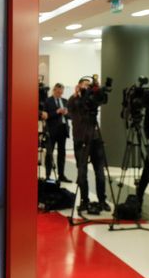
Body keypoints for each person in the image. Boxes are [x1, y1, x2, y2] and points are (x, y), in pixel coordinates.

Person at [68, 77, 109, 214]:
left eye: (89, 85)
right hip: (80, 140)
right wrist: (77, 96)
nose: (87, 87)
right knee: (82, 172)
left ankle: (102, 200)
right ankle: (84, 201)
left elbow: (102, 100)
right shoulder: (73, 100)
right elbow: (71, 110)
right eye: (85, 85)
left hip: (96, 139)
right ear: (78, 86)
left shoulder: (93, 100)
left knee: (100, 172)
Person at [43, 83, 71, 183]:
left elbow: (71, 116)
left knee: (62, 153)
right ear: (54, 90)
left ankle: (61, 175)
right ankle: (47, 175)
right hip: (52, 130)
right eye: (58, 92)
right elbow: (45, 115)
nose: (60, 94)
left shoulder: (65, 101)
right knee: (49, 154)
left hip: (63, 130)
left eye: (61, 92)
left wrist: (66, 113)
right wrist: (57, 112)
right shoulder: (48, 101)